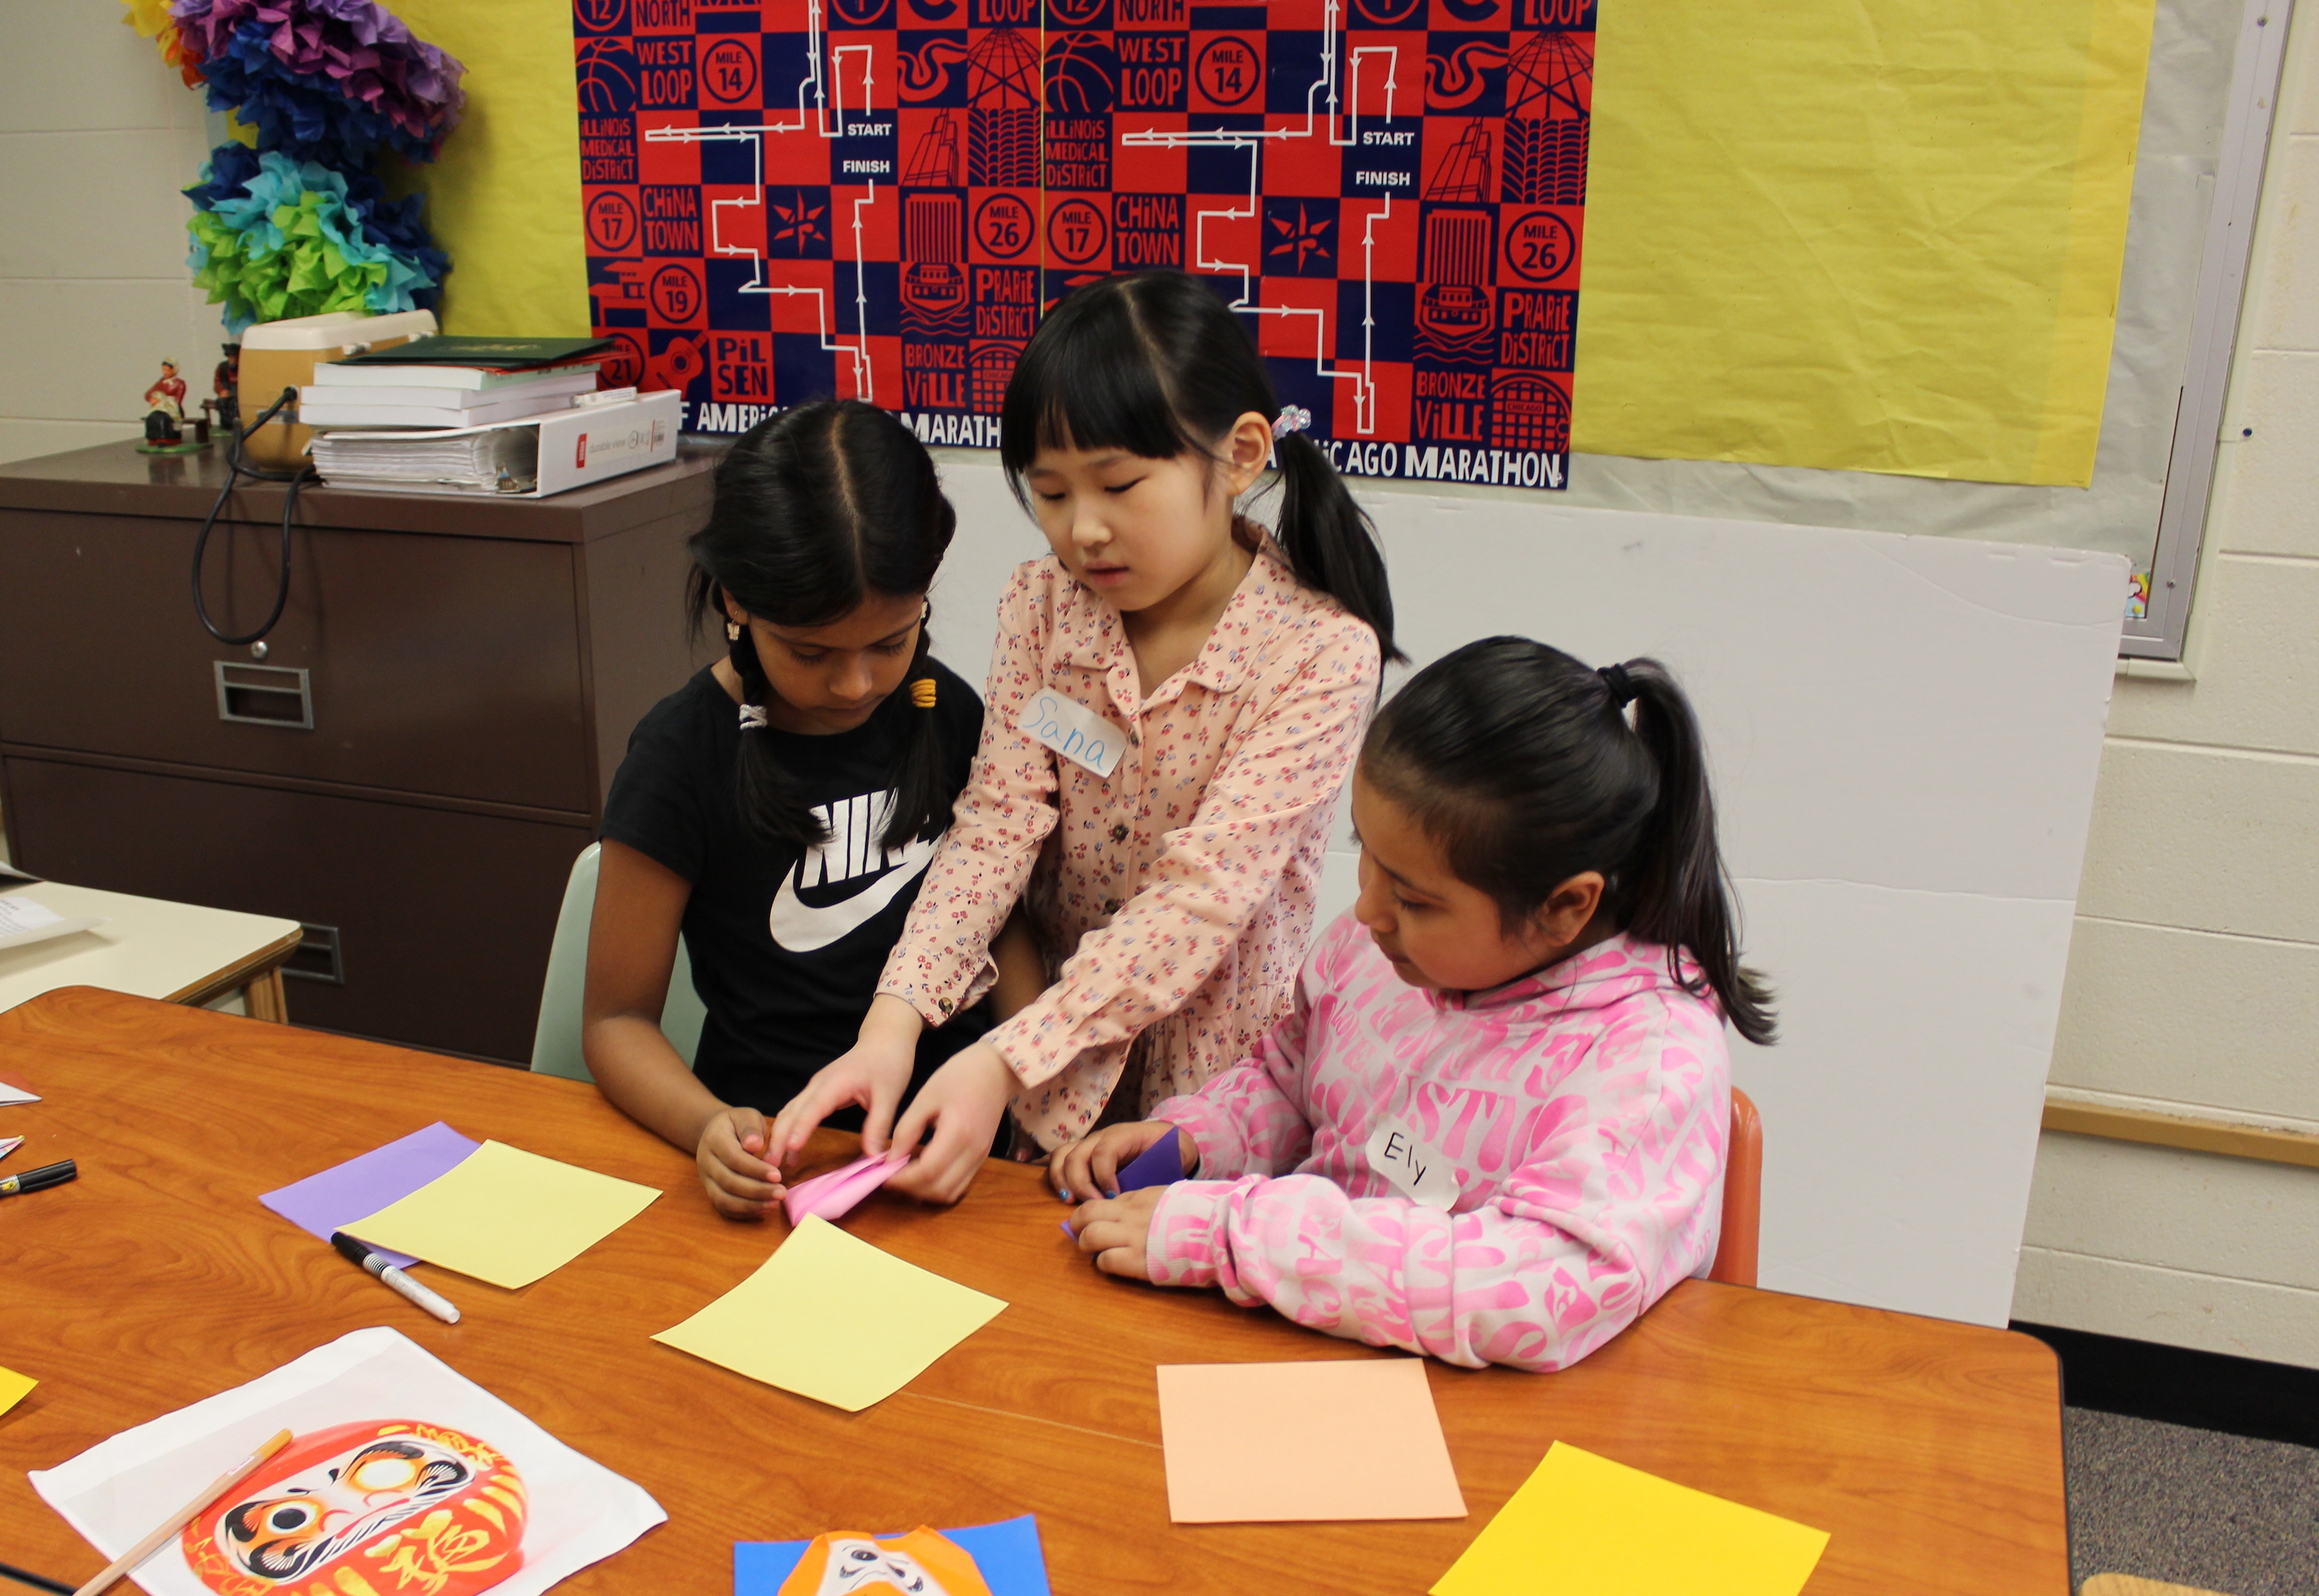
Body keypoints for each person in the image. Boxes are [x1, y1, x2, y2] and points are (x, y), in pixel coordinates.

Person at [769, 269, 1397, 1201]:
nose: (1084, 531)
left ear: (1241, 455)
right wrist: (892, 1027)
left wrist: (1005, 1060)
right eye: (1051, 493)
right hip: (1052, 1069)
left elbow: (1203, 901)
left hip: (1213, 1093)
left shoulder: (1319, 655)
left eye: (1118, 484)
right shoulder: (1043, 605)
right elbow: (996, 828)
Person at [1054, 637, 1777, 1372]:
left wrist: (1233, 1237)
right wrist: (1202, 1140)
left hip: (1498, 1430)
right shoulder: (1380, 951)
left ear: (1565, 907)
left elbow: (1535, 1291)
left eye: (1414, 897)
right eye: (1365, 851)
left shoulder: (1649, 1064)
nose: (1367, 910)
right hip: (1307, 1356)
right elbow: (1291, 1083)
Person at [582, 401, 1046, 1218]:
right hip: (781, 1152)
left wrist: (1037, 1099)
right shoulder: (681, 755)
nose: (857, 685)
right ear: (736, 601)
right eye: (811, 653)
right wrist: (709, 1127)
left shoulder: (948, 709)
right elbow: (617, 1021)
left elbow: (998, 917)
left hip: (960, 1139)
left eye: (893, 641)